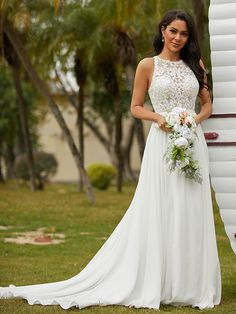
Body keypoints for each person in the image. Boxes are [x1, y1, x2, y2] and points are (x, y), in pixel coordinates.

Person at [0, 10, 221, 310]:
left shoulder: (196, 65)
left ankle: (190, 286)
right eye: (173, 31)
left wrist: (193, 120)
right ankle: (158, 281)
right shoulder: (147, 65)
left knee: (190, 207)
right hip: (162, 142)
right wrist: (160, 118)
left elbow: (207, 105)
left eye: (183, 34)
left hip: (192, 142)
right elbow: (135, 107)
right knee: (162, 207)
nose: (178, 38)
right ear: (163, 30)